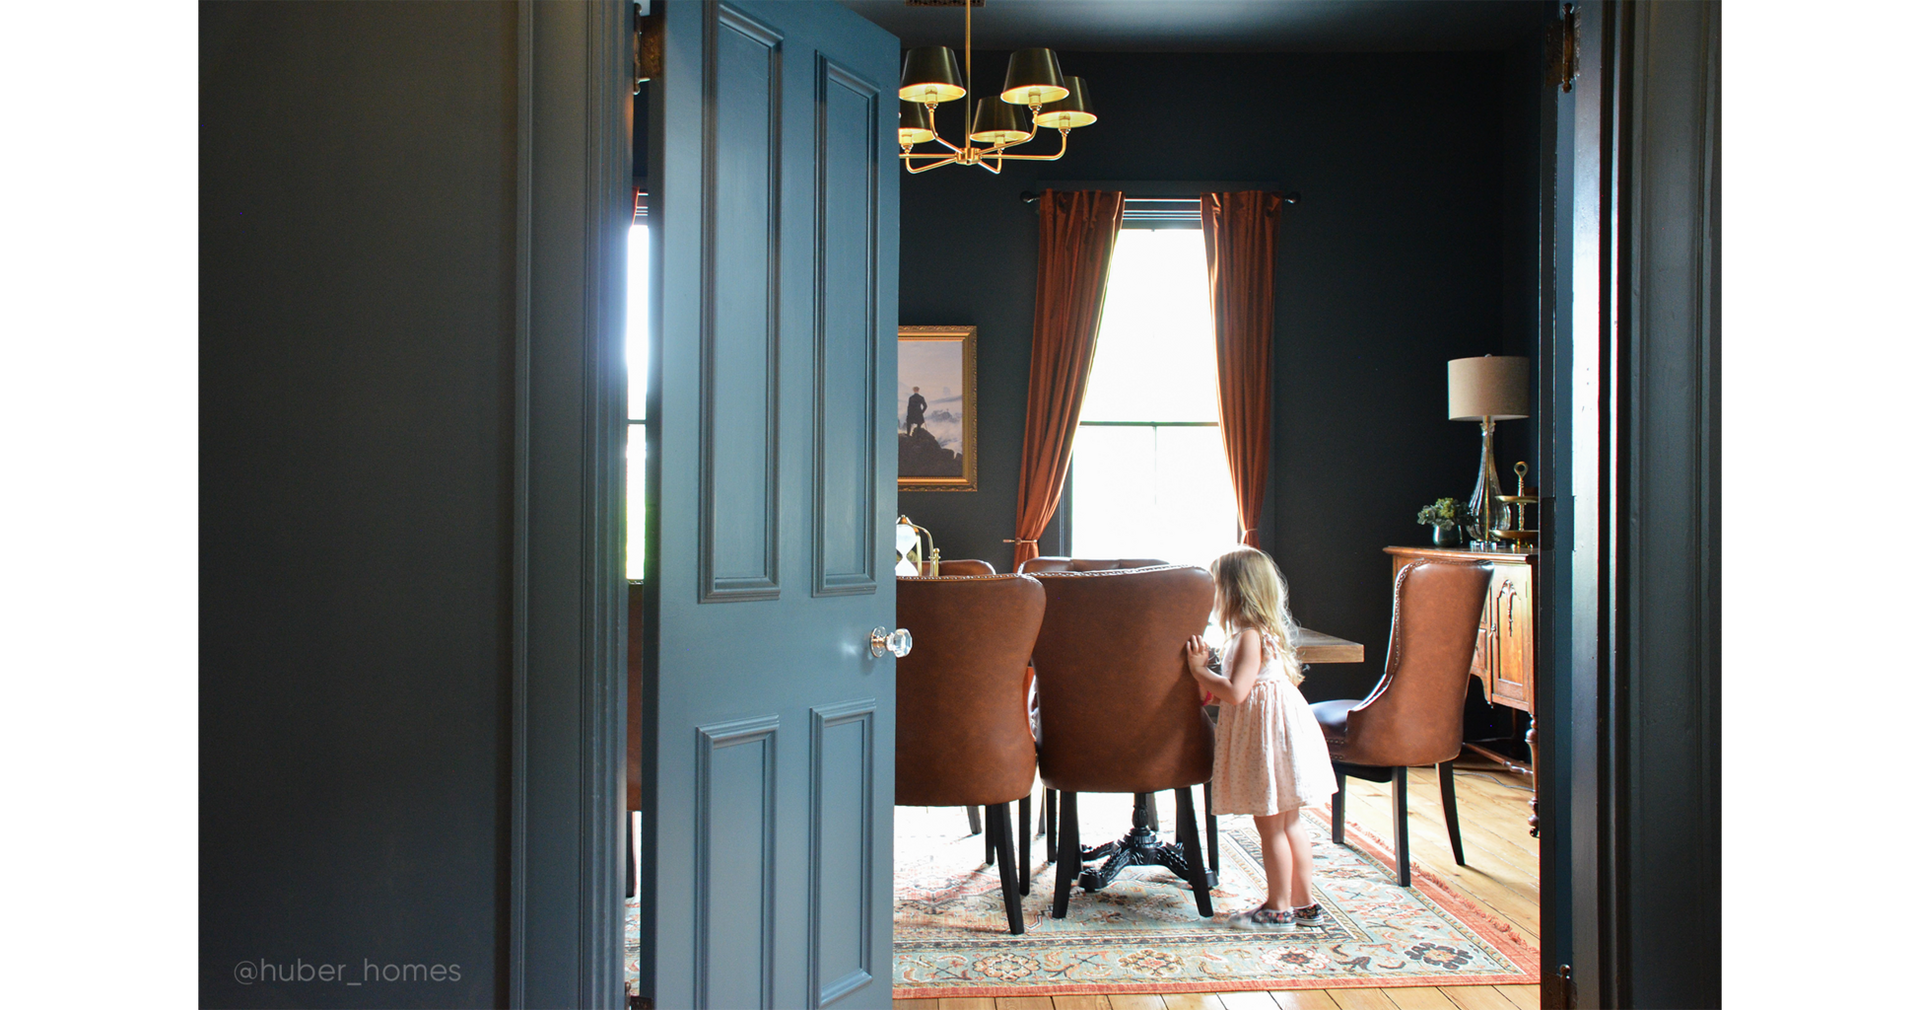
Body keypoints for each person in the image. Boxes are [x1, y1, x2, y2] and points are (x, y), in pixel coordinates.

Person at [1184, 546, 1338, 930]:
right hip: (1284, 726)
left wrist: (1199, 671)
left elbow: (1235, 692)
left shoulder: (1248, 636)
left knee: (1270, 825)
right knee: (1290, 824)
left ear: (1233, 592)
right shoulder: (1263, 632)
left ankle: (1278, 907)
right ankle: (1304, 903)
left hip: (1268, 732)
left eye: (1215, 586)